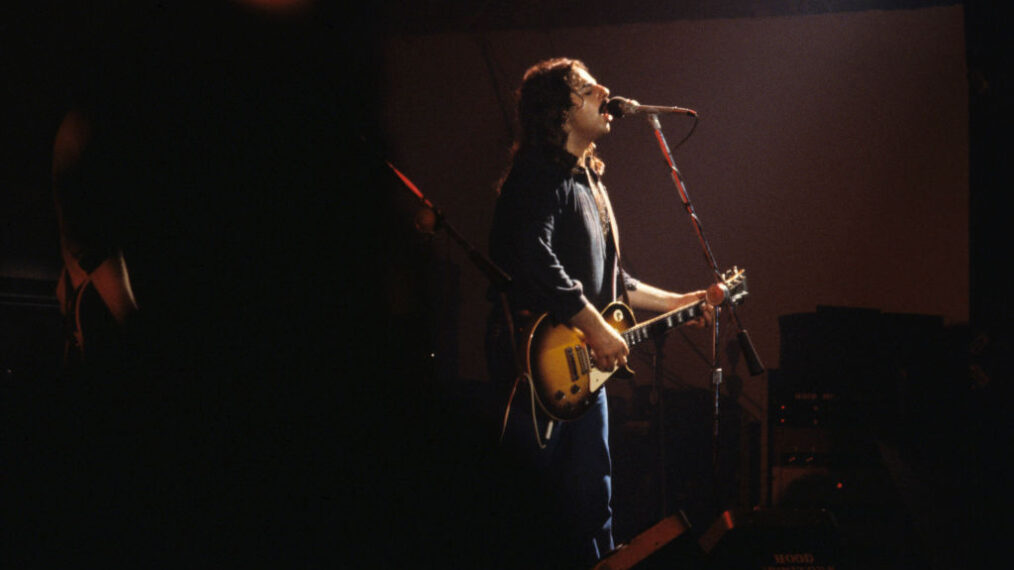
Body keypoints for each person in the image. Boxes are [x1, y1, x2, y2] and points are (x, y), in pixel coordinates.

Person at [484, 57, 712, 568]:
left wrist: (681, 302)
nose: (604, 90)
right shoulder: (540, 171)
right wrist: (591, 324)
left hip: (585, 371)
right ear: (560, 114)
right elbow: (529, 253)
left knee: (593, 505)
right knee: (531, 508)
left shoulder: (593, 186)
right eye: (587, 89)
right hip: (534, 366)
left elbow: (613, 286)